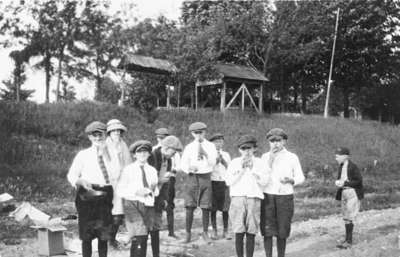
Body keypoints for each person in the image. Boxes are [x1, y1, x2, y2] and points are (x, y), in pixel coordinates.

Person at [67, 121, 114, 257]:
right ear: (89, 137)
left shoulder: (112, 154)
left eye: (101, 135)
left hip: (106, 193)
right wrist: (79, 181)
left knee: (103, 233)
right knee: (86, 233)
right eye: (95, 136)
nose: (98, 138)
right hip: (87, 194)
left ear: (105, 135)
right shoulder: (83, 154)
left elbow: (117, 175)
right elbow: (72, 174)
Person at [260, 128, 305, 257]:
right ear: (268, 142)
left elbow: (300, 177)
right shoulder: (264, 157)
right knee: (267, 229)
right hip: (268, 196)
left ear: (284, 141)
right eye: (272, 141)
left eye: (278, 140)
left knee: (282, 229)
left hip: (285, 196)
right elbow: (261, 178)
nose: (275, 144)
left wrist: (292, 180)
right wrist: (270, 161)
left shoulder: (292, 157)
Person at [225, 134, 269, 257]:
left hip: (253, 199)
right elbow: (228, 181)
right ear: (239, 150)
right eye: (244, 149)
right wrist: (241, 170)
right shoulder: (234, 162)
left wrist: (253, 170)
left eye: (249, 148)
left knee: (251, 230)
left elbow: (265, 182)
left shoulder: (260, 163)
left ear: (254, 149)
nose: (247, 151)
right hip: (238, 199)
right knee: (239, 230)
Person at [116, 140, 159, 257]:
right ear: (134, 155)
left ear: (149, 154)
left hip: (148, 205)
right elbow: (120, 190)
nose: (143, 154)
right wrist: (136, 192)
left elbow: (156, 191)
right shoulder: (128, 170)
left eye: (145, 152)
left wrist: (153, 190)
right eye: (139, 152)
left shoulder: (152, 170)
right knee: (140, 236)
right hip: (132, 205)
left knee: (143, 236)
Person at [180, 122, 218, 243]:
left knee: (205, 206)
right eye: (196, 133)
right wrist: (188, 168)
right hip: (192, 178)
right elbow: (183, 164)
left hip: (206, 177)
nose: (198, 135)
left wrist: (206, 154)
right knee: (190, 206)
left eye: (201, 132)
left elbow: (213, 163)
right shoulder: (189, 147)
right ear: (192, 134)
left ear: (205, 132)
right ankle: (188, 233)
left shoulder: (211, 146)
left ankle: (205, 232)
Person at [147, 135, 183, 256]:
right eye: (173, 152)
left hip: (158, 197)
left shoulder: (169, 160)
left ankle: (155, 254)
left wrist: (164, 199)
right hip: (146, 197)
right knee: (143, 231)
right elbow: (145, 179)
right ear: (167, 148)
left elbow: (166, 183)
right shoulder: (151, 156)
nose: (174, 155)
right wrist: (159, 180)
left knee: (156, 227)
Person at [105, 119, 133, 248]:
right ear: (109, 132)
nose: (116, 132)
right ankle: (107, 240)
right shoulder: (104, 145)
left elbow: (128, 163)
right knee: (109, 212)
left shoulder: (123, 144)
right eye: (113, 130)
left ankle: (112, 239)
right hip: (108, 184)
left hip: (122, 184)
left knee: (119, 213)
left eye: (118, 130)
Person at [152, 128, 181, 238]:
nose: (161, 139)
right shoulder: (153, 153)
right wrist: (159, 180)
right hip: (152, 187)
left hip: (165, 184)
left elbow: (177, 167)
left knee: (165, 206)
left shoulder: (170, 157)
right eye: (159, 137)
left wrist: (164, 197)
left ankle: (170, 231)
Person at [334, 147, 363, 249]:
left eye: (338, 157)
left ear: (345, 156)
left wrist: (344, 183)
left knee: (350, 217)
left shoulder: (353, 166)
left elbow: (358, 181)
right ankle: (346, 239)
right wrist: (338, 183)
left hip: (352, 193)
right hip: (344, 192)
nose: (336, 159)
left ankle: (349, 242)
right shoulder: (341, 166)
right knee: (346, 217)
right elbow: (340, 179)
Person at [209, 133, 231, 240]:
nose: (218, 144)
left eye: (220, 141)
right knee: (213, 208)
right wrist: (215, 162)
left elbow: (230, 169)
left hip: (224, 183)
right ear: (212, 143)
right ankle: (214, 230)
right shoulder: (209, 155)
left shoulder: (226, 154)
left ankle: (226, 230)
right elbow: (206, 168)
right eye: (216, 142)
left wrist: (223, 161)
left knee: (225, 208)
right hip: (213, 182)